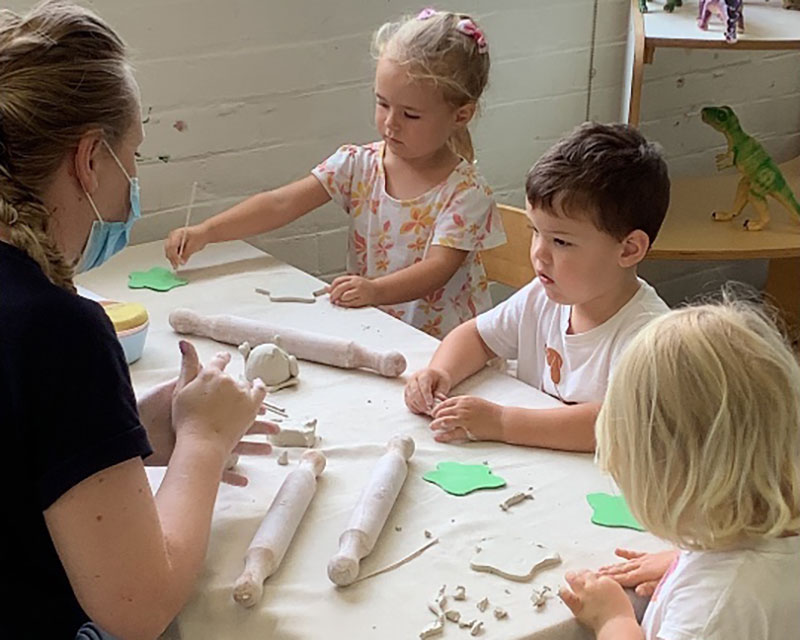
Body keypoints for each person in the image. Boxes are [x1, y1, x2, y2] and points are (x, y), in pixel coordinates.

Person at [0, 2, 274, 637]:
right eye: (136, 158)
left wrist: (122, 434)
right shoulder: (57, 329)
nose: (134, 185)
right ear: (90, 159)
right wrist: (203, 442)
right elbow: (138, 605)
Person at [164, 8, 506, 337]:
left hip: (442, 349)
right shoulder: (358, 165)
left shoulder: (466, 192)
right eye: (382, 103)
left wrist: (373, 290)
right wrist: (207, 231)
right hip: (375, 329)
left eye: (410, 115)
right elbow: (281, 203)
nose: (390, 123)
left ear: (461, 115)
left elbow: (437, 269)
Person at [405, 122, 670, 450]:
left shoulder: (652, 338)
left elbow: (612, 424)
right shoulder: (543, 296)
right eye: (535, 231)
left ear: (629, 249)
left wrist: (502, 422)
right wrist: (440, 373)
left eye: (560, 241)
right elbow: (476, 337)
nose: (538, 254)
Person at [560, 302, 800, 639]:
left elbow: (730, 601)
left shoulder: (714, 609)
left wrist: (613, 620)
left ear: (674, 477)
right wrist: (684, 559)